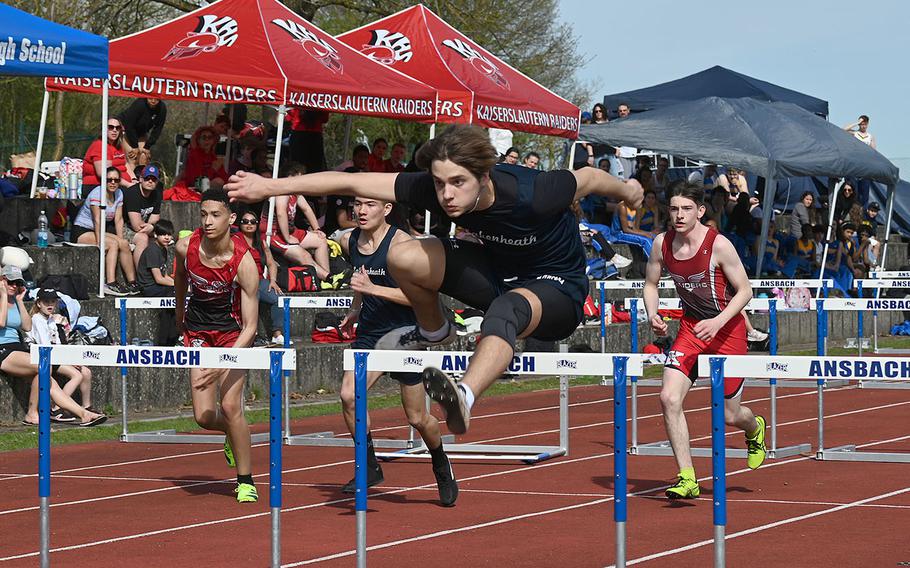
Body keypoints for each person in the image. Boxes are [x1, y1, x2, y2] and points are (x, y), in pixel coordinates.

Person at [226, 124, 643, 436]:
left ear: (483, 176)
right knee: (403, 254)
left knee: (506, 308)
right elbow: (352, 181)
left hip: (555, 287)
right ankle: (434, 326)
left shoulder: (537, 192)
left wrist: (627, 191)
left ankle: (464, 397)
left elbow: (588, 179)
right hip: (495, 272)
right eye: (440, 184)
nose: (446, 195)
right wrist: (269, 186)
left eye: (457, 183)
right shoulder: (434, 188)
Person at [643, 182, 766, 500]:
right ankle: (687, 478)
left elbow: (746, 291)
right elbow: (651, 283)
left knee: (728, 415)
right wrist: (653, 314)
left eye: (686, 209)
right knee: (669, 398)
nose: (679, 215)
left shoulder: (719, 245)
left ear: (699, 211)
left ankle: (754, 429)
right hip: (691, 330)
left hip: (727, 330)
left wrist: (719, 321)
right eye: (674, 208)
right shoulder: (662, 244)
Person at [336, 195, 457, 505]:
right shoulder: (351, 240)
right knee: (349, 395)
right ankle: (370, 465)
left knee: (417, 418)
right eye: (357, 205)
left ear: (386, 209)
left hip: (405, 338)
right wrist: (355, 307)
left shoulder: (401, 244)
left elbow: (423, 297)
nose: (361, 211)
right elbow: (362, 281)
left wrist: (372, 289)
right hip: (370, 336)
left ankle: (440, 462)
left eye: (370, 205)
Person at [174, 189, 260, 503]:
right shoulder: (186, 247)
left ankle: (245, 481)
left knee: (231, 406)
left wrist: (224, 363)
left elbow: (251, 326)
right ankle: (231, 433)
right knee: (204, 416)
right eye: (204, 214)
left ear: (231, 218)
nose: (208, 222)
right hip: (198, 331)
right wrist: (179, 313)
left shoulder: (244, 262)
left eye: (216, 215)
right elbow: (180, 278)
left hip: (233, 334)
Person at [3, 266, 106, 427]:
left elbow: (27, 326)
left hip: (17, 348)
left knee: (47, 380)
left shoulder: (15, 301)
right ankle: (33, 413)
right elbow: (1, 322)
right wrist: (3, 295)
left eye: (17, 283)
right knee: (43, 366)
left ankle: (83, 414)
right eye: (10, 282)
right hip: (3, 349)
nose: (14, 286)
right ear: (2, 280)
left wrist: (19, 301)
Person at [27, 289, 97, 420]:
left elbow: (58, 344)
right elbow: (45, 344)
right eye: (46, 302)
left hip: (55, 356)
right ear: (38, 304)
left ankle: (86, 406)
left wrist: (70, 359)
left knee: (85, 372)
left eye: (52, 302)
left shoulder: (52, 320)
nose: (50, 305)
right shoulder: (37, 319)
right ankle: (55, 407)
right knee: (76, 375)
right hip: (43, 357)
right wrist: (67, 360)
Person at [72, 167, 140, 296]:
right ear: (104, 181)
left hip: (96, 229)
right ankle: (110, 283)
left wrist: (121, 239)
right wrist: (99, 243)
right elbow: (98, 220)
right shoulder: (97, 194)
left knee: (124, 243)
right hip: (82, 230)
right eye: (109, 180)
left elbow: (119, 219)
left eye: (116, 180)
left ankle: (132, 282)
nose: (113, 183)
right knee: (111, 244)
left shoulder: (119, 193)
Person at [266, 165, 332, 281]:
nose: (303, 182)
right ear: (290, 178)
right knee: (304, 256)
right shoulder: (282, 191)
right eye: (300, 179)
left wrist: (317, 229)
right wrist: (287, 238)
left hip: (291, 231)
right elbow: (281, 213)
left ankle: (326, 277)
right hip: (275, 234)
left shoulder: (296, 193)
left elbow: (307, 209)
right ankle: (328, 278)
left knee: (321, 240)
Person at [236, 209, 285, 346]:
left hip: (259, 280)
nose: (249, 224)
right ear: (240, 224)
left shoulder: (261, 243)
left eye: (253, 222)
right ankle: (252, 334)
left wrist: (273, 281)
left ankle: (277, 334)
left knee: (279, 298)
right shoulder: (235, 240)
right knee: (252, 295)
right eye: (245, 222)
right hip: (242, 281)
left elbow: (271, 263)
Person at [123, 164, 163, 268]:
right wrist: (152, 227)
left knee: (163, 238)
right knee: (143, 238)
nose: (150, 181)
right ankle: (141, 276)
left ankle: (159, 274)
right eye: (147, 178)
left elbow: (155, 219)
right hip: (124, 227)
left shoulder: (157, 194)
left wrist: (152, 227)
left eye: (153, 179)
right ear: (140, 179)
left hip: (145, 228)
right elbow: (136, 226)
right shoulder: (132, 193)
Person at [82, 117, 133, 193]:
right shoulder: (100, 146)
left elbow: (125, 164)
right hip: (98, 187)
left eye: (118, 128)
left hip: (120, 185)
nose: (114, 130)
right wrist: (128, 184)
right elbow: (106, 173)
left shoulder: (118, 146)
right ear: (104, 129)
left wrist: (134, 180)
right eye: (111, 127)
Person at [119, 97, 167, 175]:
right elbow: (129, 125)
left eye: (157, 99)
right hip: (127, 130)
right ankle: (132, 182)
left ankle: (142, 180)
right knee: (133, 157)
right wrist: (135, 146)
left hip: (141, 133)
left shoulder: (162, 108)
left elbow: (158, 129)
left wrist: (147, 146)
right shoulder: (139, 104)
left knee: (143, 157)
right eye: (151, 98)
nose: (153, 101)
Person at [136, 220, 175, 297]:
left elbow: (165, 276)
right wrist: (180, 286)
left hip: (158, 286)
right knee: (178, 292)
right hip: (149, 288)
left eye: (169, 234)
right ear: (155, 235)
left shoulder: (163, 249)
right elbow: (159, 279)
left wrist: (179, 284)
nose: (167, 237)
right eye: (163, 234)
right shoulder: (152, 250)